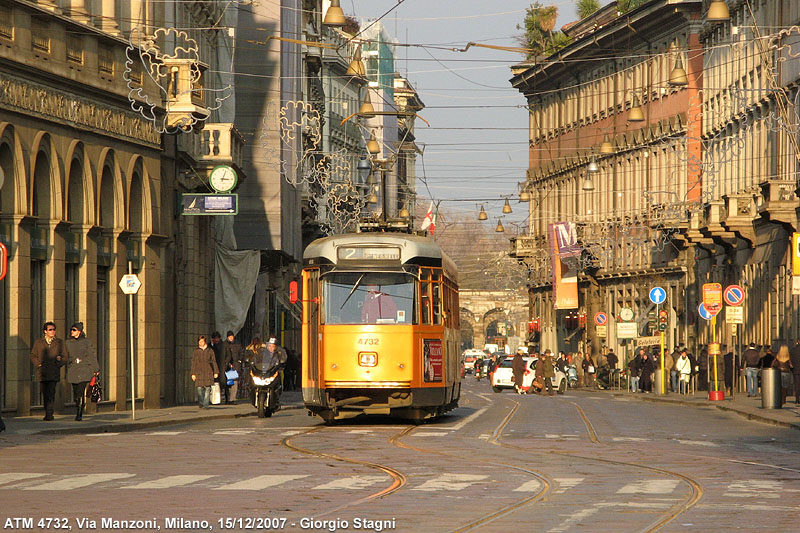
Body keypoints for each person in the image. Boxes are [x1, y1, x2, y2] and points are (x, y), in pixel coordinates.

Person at [30, 321, 68, 421]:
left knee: (51, 392)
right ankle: (47, 410)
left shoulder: (59, 342)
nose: (52, 331)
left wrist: (58, 364)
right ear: (45, 331)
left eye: (54, 329)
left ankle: (49, 414)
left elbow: (65, 357)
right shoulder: (39, 342)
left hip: (53, 372)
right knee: (45, 393)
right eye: (50, 330)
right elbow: (33, 355)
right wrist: (38, 364)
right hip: (42, 373)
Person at [64, 322, 99, 421]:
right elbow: (65, 355)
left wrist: (96, 369)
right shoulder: (68, 342)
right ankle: (78, 405)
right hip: (73, 369)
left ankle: (79, 413)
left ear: (79, 331)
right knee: (75, 393)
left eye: (74, 330)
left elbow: (92, 355)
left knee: (80, 390)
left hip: (84, 369)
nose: (72, 332)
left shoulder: (86, 342)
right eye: (71, 330)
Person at [191, 335, 219, 409]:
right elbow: (194, 362)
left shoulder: (210, 350)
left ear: (205, 342)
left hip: (208, 371)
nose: (200, 343)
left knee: (207, 388)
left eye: (202, 342)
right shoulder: (196, 351)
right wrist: (193, 373)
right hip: (199, 371)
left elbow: (214, 361)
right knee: (199, 388)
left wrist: (216, 372)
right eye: (199, 342)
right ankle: (201, 402)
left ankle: (205, 405)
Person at [209, 332, 230, 405]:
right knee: (214, 384)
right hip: (213, 367)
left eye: (217, 338)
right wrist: (212, 344)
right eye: (214, 339)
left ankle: (227, 399)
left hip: (222, 366)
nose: (216, 340)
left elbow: (228, 355)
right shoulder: (210, 345)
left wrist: (226, 363)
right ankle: (214, 399)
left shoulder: (224, 345)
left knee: (224, 384)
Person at [223, 331, 243, 402]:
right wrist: (227, 363)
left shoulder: (237, 344)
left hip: (236, 365)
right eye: (229, 337)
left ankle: (232, 399)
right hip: (227, 365)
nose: (231, 338)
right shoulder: (225, 344)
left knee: (234, 382)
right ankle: (227, 398)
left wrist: (240, 360)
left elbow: (241, 352)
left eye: (232, 336)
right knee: (227, 382)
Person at [790, 340, 800, 404]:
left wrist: (792, 369)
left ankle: (797, 399)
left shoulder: (792, 350)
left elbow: (790, 362)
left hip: (796, 370)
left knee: (797, 385)